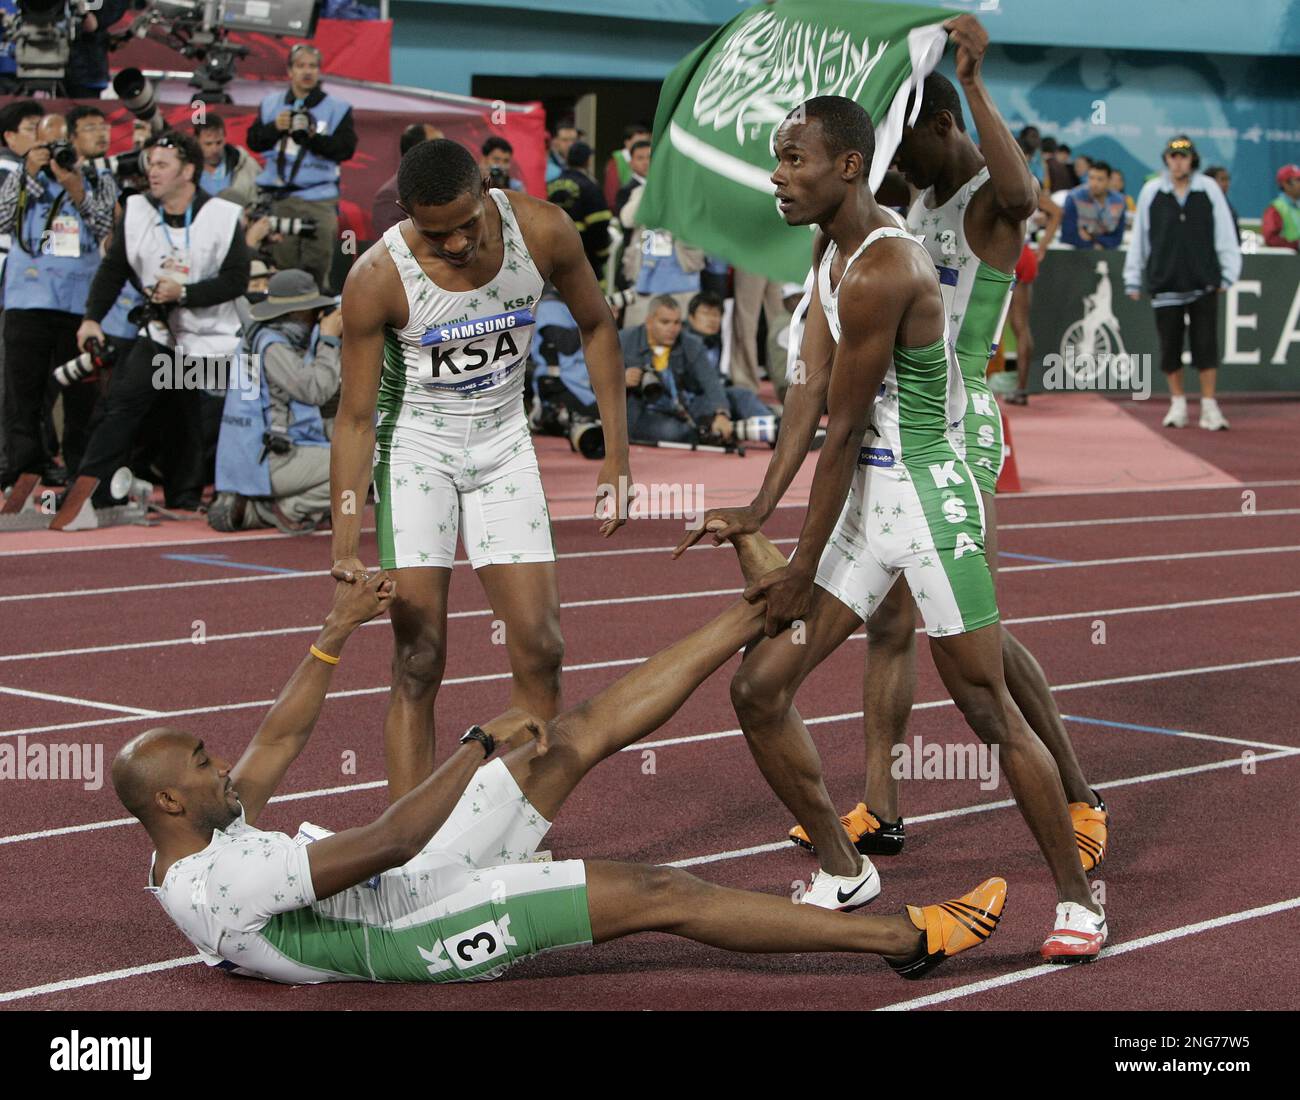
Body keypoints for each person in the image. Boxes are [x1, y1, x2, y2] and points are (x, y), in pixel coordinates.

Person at [116, 531, 1007, 987]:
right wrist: (472, 746)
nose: (222, 766)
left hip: (409, 879)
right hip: (414, 934)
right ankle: (906, 939)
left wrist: (330, 637)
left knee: (571, 733)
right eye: (202, 762)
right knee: (664, 895)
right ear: (166, 801)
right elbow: (387, 843)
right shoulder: (216, 886)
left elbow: (278, 739)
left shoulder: (200, 830)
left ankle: (761, 610)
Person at [675, 82, 1106, 961]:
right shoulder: (834, 258)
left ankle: (1078, 899)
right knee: (757, 690)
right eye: (776, 160)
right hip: (869, 497)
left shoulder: (882, 266)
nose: (777, 178)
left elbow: (842, 434)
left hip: (923, 494)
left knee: (985, 702)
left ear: (848, 166)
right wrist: (757, 504)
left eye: (793, 161)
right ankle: (847, 868)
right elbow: (806, 395)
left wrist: (798, 562)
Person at [786, 61, 1109, 905]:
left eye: (911, 148)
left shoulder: (988, 207)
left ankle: (1079, 794)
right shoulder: (917, 207)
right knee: (888, 627)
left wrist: (977, 83)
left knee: (977, 638)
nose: (900, 168)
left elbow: (1024, 192)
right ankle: (883, 808)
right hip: (902, 423)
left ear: (942, 128)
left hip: (958, 430)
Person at [332, 138, 632, 803]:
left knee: (541, 648)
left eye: (468, 223)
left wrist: (617, 457)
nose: (459, 243)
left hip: (504, 449)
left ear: (487, 188)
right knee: (419, 659)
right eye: (436, 234)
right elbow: (354, 419)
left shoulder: (543, 229)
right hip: (417, 455)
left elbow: (597, 325)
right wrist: (345, 540)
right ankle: (410, 847)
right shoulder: (378, 276)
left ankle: (518, 826)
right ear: (408, 215)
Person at [75, 131, 250, 510]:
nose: (151, 172)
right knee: (122, 404)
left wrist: (185, 293)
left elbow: (237, 279)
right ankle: (90, 489)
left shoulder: (222, 215)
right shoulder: (137, 210)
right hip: (159, 331)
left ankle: (184, 495)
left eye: (161, 165)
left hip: (209, 337)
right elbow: (113, 268)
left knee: (184, 415)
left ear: (187, 170)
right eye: (150, 164)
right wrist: (92, 318)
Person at [0, 105, 117, 491]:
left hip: (77, 303)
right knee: (24, 393)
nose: (56, 150)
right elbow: (2, 219)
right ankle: (27, 465)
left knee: (80, 394)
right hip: (27, 299)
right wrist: (31, 172)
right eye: (47, 142)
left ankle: (78, 465)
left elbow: (105, 227)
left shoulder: (99, 179)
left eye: (62, 142)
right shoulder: (20, 177)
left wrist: (74, 187)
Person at [1123, 135, 1241, 431]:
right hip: (1165, 282)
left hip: (1203, 282)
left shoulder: (1209, 189)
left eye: (1184, 156)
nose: (1178, 162)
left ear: (1192, 160)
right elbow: (1140, 237)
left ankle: (1209, 406)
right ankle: (1177, 404)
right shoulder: (1152, 191)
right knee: (1169, 346)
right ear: (1166, 160)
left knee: (1206, 345)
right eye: (1173, 156)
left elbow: (1225, 233)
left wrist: (1228, 272)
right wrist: (1133, 277)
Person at [209, 269, 340, 533]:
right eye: (314, 311)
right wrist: (329, 340)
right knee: (363, 461)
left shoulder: (258, 336)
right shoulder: (273, 345)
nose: (317, 317)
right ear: (297, 312)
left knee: (345, 439)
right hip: (265, 459)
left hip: (250, 455)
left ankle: (259, 503)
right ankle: (278, 509)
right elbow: (316, 391)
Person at [247, 44, 356, 288]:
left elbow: (345, 149)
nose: (307, 72)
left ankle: (318, 323)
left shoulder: (337, 108)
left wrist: (311, 137)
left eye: (312, 66)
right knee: (280, 271)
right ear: (290, 71)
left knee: (316, 272)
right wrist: (275, 127)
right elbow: (254, 141)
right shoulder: (271, 105)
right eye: (301, 66)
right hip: (280, 199)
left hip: (318, 200)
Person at [622, 294, 762, 445]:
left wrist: (721, 413)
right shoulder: (623, 341)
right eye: (665, 322)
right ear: (649, 321)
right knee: (674, 431)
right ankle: (715, 432)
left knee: (742, 395)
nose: (672, 328)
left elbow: (711, 382)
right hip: (644, 411)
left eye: (676, 323)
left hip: (687, 404)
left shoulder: (690, 343)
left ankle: (778, 428)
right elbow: (594, 383)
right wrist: (620, 380)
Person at [547, 141, 613, 286]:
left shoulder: (551, 184)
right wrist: (602, 254)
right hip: (584, 254)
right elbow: (599, 224)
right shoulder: (589, 187)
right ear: (588, 160)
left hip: (553, 252)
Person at [372, 124, 443, 239]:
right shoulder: (389, 196)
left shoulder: (446, 187)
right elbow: (394, 246)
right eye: (437, 147)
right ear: (417, 152)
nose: (446, 153)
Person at [1059, 160, 1126, 249]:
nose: (1094, 183)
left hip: (1108, 254)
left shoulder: (1119, 201)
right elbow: (1068, 236)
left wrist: (1092, 237)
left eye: (1100, 179)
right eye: (1091, 178)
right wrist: (1093, 245)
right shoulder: (1074, 198)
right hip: (1078, 254)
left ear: (1109, 181)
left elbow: (1117, 238)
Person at [195, 117, 260, 206]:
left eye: (219, 142)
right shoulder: (185, 171)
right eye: (208, 144)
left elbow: (262, 198)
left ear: (225, 138)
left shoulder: (247, 165)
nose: (214, 150)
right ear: (197, 141)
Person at [603, 121, 651, 208]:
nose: (643, 146)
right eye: (638, 142)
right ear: (627, 143)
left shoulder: (652, 159)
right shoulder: (616, 160)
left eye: (646, 142)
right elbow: (611, 194)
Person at [1261, 164, 1300, 252]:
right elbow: (1270, 239)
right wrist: (1296, 245)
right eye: (1298, 180)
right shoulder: (1276, 209)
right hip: (1287, 262)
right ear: (1285, 184)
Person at [545, 118, 578, 184]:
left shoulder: (577, 163)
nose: (570, 145)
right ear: (553, 142)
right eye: (565, 140)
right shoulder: (548, 168)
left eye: (573, 140)